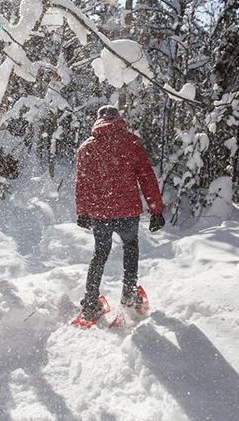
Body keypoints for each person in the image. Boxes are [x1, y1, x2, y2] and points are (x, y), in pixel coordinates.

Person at [74, 105, 165, 322]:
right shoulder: (132, 142)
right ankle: (130, 294)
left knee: (100, 254)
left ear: (98, 120)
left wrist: (83, 212)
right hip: (127, 211)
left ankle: (90, 302)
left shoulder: (86, 147)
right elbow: (146, 176)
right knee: (131, 247)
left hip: (100, 213)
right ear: (117, 119)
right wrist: (156, 210)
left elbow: (81, 183)